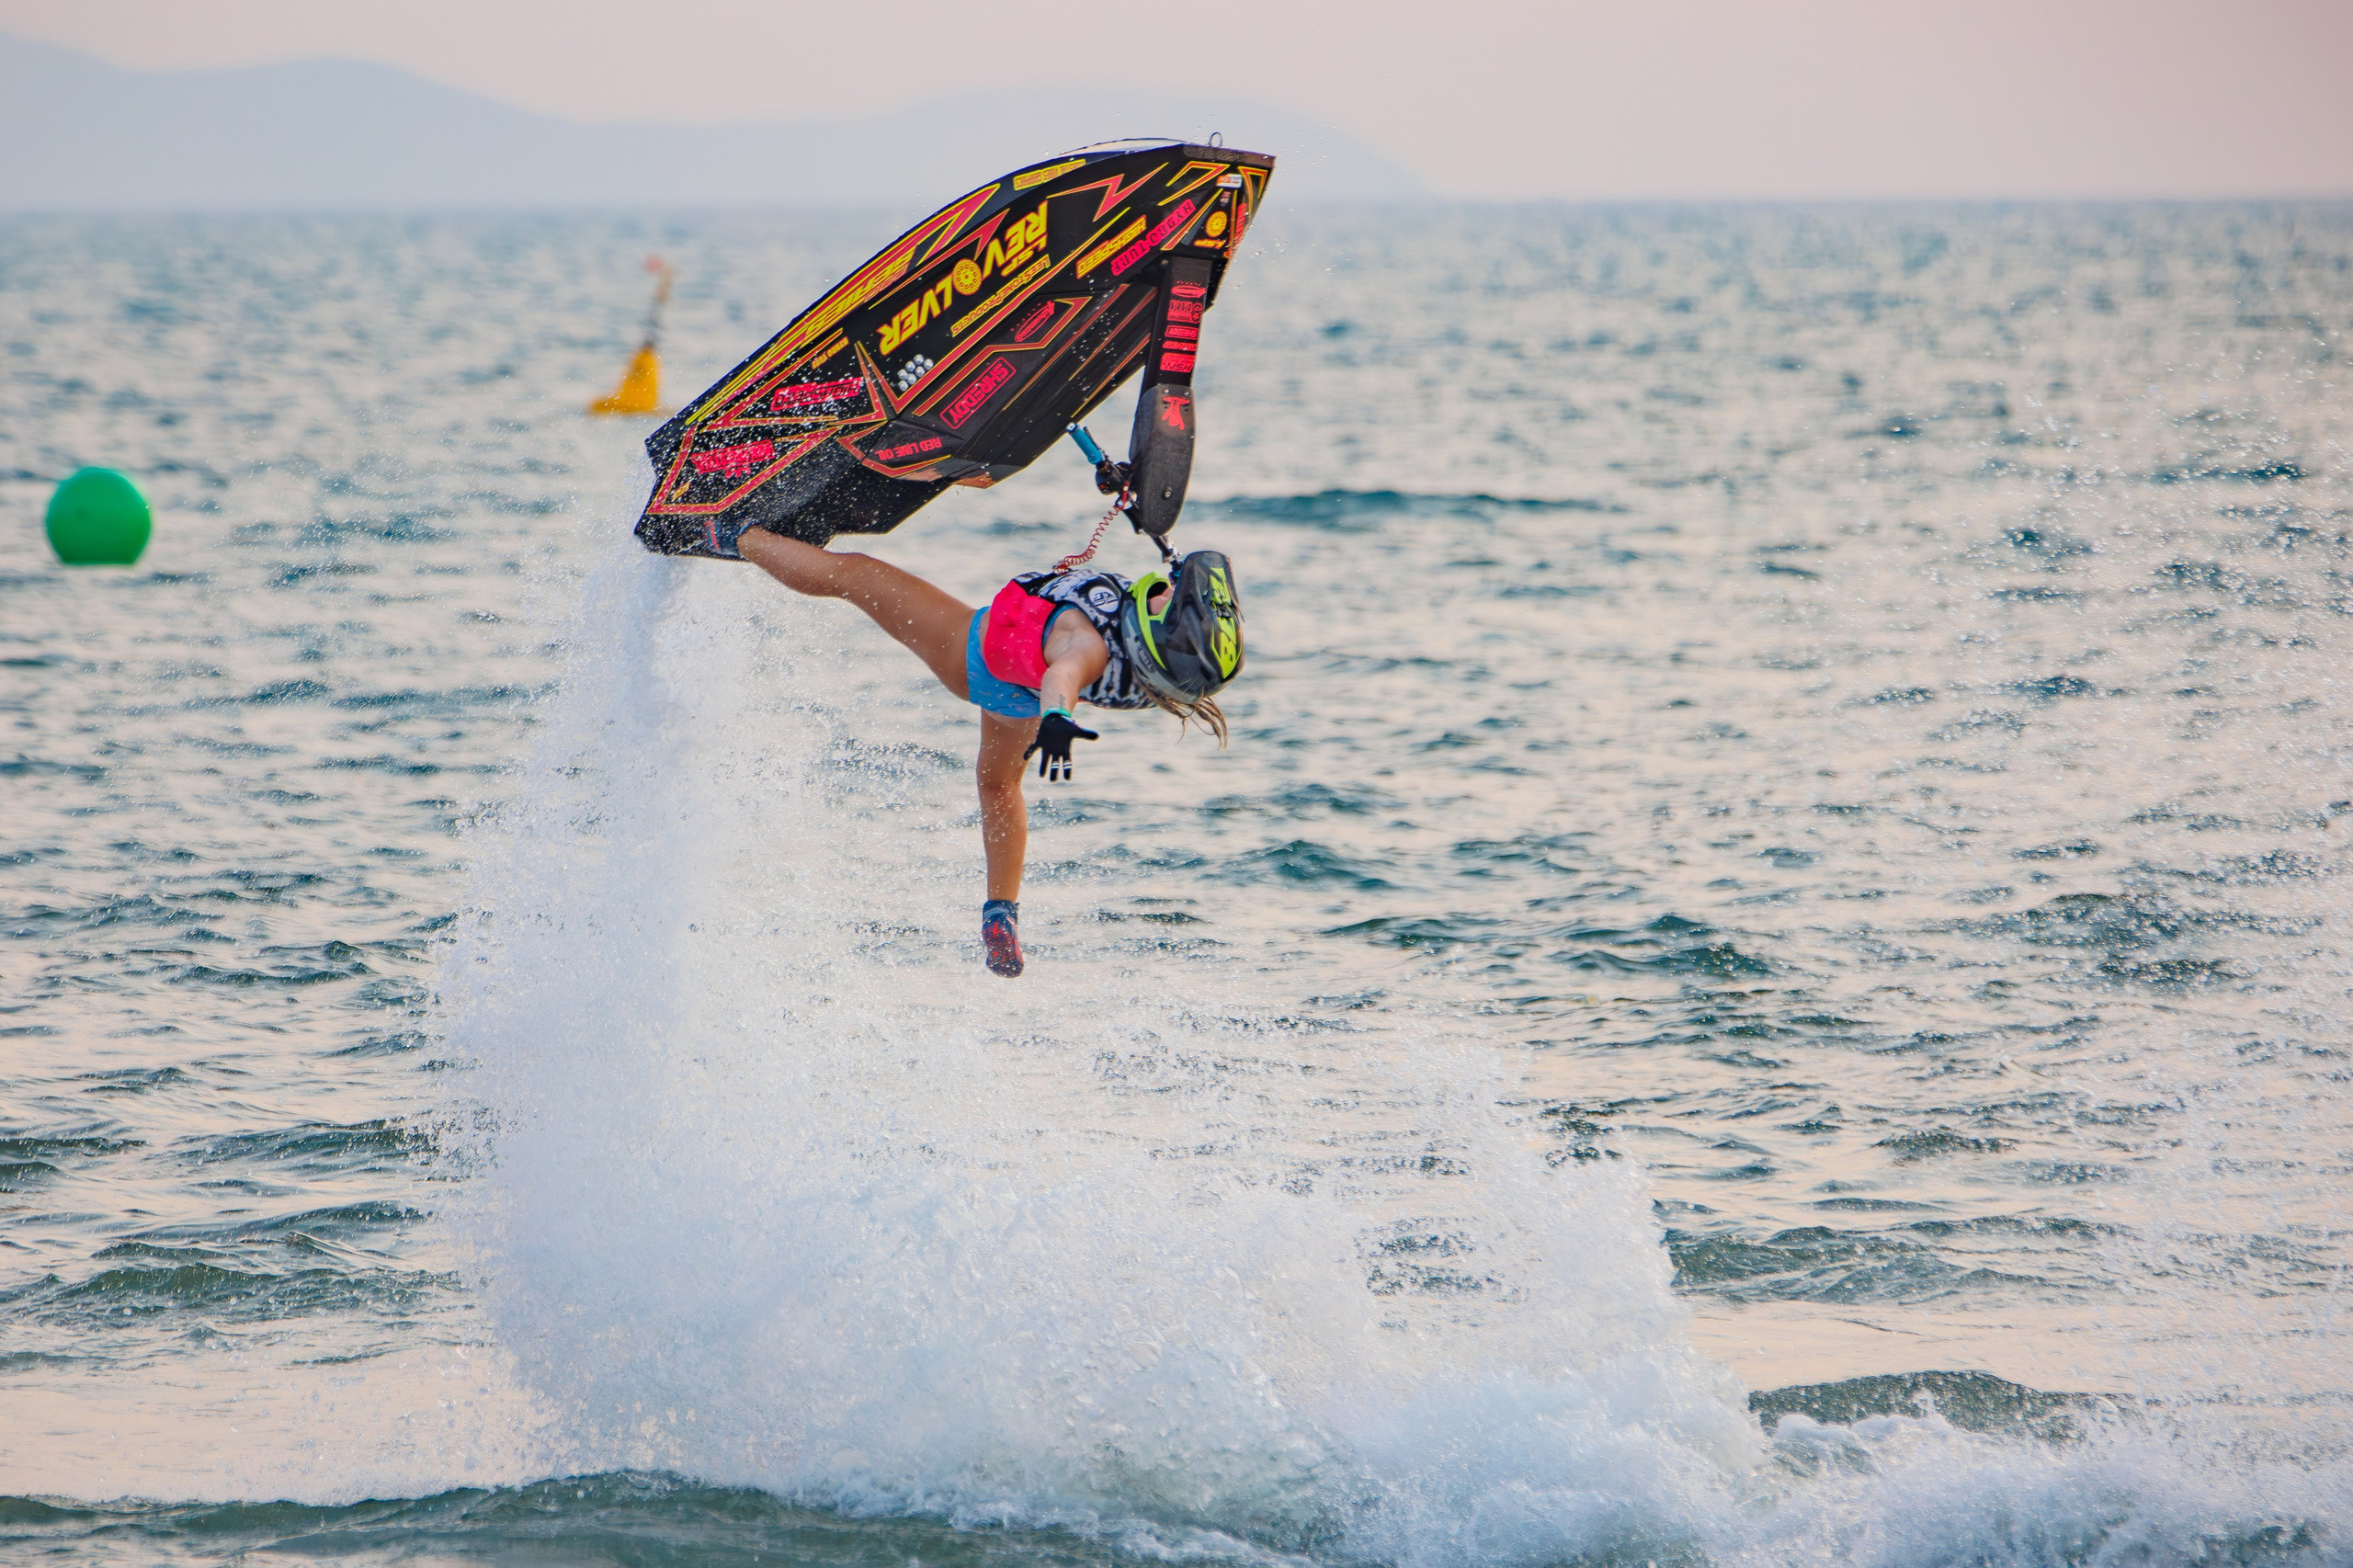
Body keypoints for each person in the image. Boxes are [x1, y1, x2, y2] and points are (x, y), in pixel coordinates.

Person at [735, 526, 1244, 978]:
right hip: (1014, 701)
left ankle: (737, 535)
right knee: (999, 787)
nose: (1170, 590)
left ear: (1156, 633)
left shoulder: (1089, 646)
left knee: (858, 576)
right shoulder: (1158, 669)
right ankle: (1001, 912)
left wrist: (1058, 719)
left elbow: (1063, 677)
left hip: (972, 656)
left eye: (1173, 602)